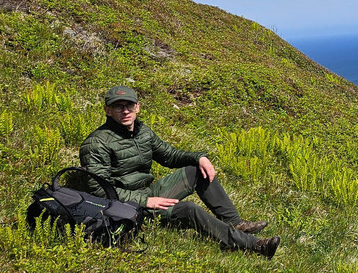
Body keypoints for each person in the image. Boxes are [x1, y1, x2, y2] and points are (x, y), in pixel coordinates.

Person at [79, 85, 279, 258]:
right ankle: (252, 245)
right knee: (188, 209)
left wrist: (199, 157)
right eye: (117, 106)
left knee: (196, 171)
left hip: (148, 192)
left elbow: (170, 156)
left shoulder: (142, 132)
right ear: (107, 110)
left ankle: (235, 223)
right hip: (128, 207)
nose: (125, 111)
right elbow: (99, 190)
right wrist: (145, 202)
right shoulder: (97, 143)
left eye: (129, 105)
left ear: (137, 107)